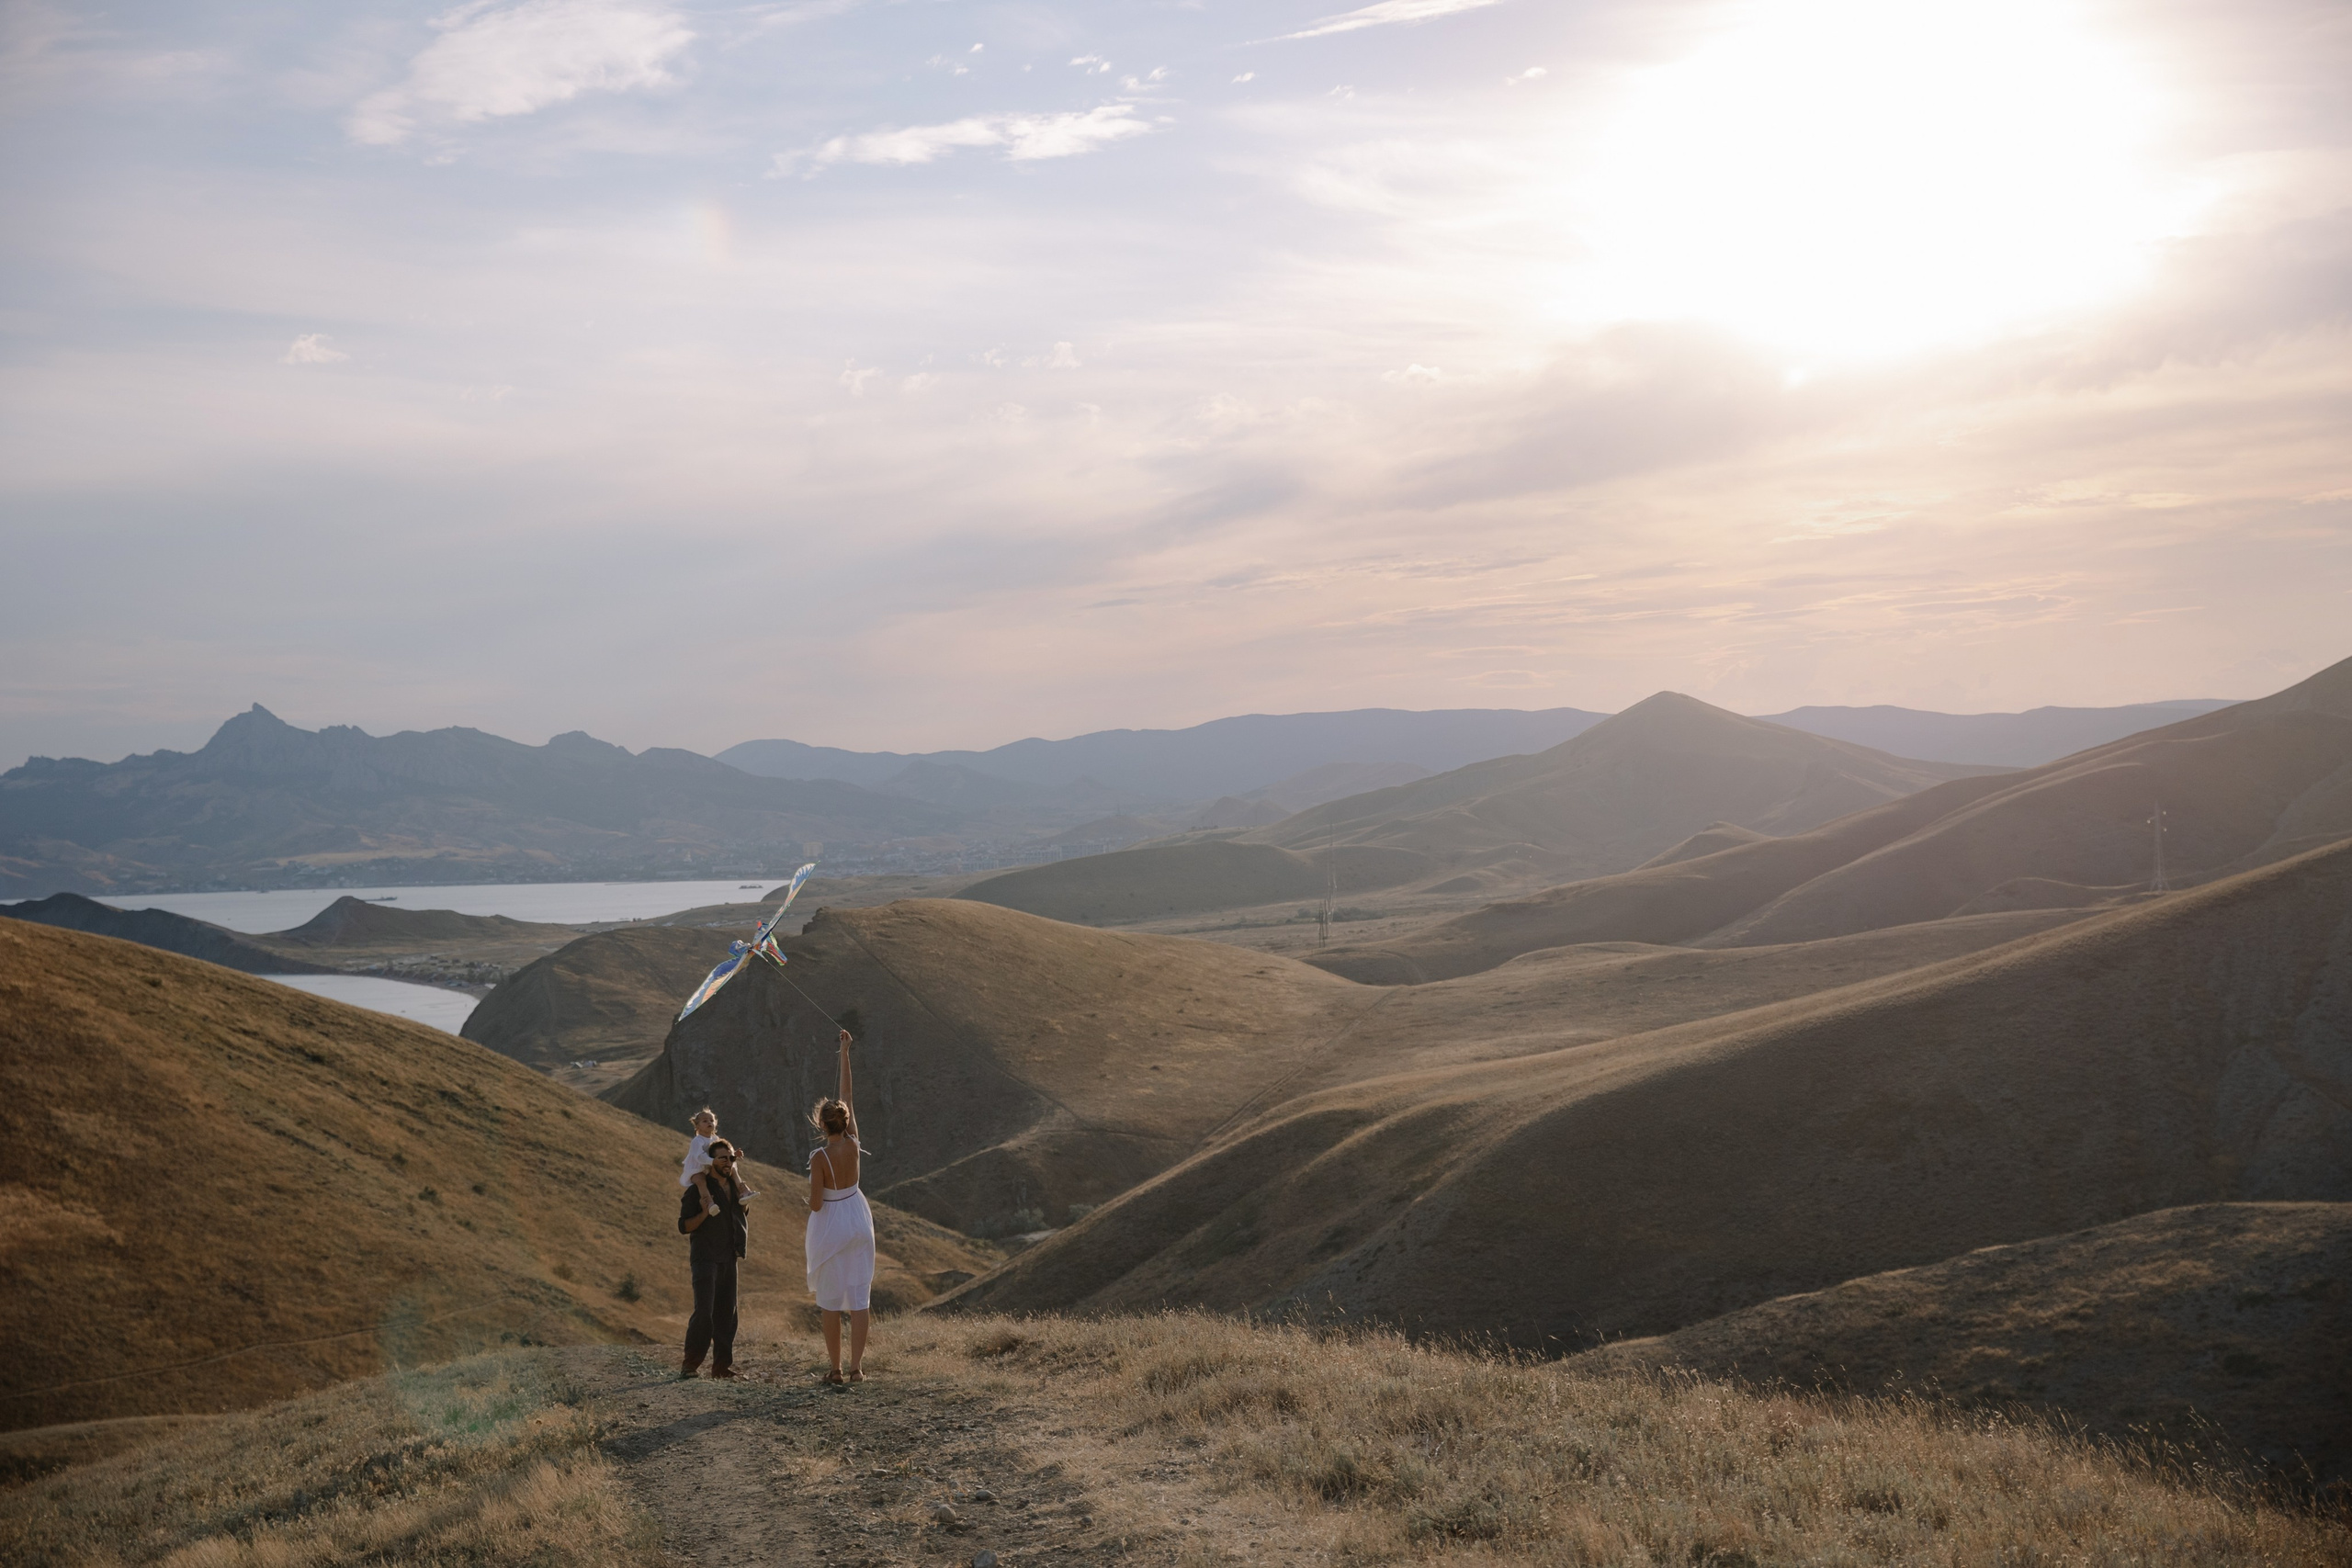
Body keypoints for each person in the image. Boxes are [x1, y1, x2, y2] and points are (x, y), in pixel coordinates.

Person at [806, 1027, 876, 1385]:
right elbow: (847, 1094)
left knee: (831, 1302)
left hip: (833, 1222)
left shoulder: (819, 1156)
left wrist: (807, 1198)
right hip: (858, 1215)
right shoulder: (853, 1142)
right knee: (860, 1298)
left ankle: (834, 1369)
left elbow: (817, 1204)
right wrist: (845, 1052)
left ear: (821, 1123)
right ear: (846, 1121)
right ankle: (857, 1369)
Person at [678, 1137, 752, 1378]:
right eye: (722, 1158)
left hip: (729, 1258)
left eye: (731, 1158)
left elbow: (743, 1213)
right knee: (704, 1313)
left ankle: (721, 1368)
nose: (728, 1162)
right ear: (711, 1162)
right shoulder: (698, 1191)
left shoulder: (737, 1188)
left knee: (727, 1316)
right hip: (705, 1258)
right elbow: (684, 1226)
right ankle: (690, 1365)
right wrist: (703, 1214)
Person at [681, 1107, 758, 1218]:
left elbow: (723, 1151)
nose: (709, 1123)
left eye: (711, 1120)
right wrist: (713, 1161)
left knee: (733, 1170)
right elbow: (699, 1157)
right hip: (697, 1168)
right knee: (701, 1181)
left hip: (711, 1165)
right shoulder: (697, 1141)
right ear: (697, 1126)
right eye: (705, 1121)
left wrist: (734, 1154)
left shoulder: (715, 1138)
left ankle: (743, 1191)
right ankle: (709, 1203)